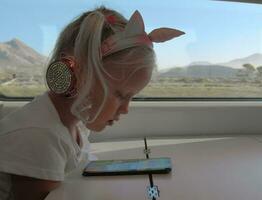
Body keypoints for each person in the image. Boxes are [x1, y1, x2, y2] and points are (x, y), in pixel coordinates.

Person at [0, 6, 184, 200]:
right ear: (79, 74)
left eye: (132, 97)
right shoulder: (41, 138)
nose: (126, 109)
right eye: (121, 95)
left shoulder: (77, 123)